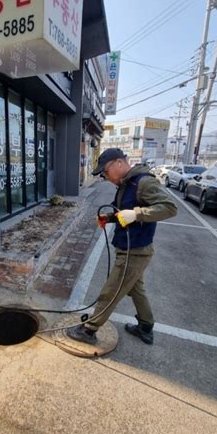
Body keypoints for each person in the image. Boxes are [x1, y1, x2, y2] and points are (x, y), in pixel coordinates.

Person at [67, 148, 177, 345]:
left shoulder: (143, 182)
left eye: (105, 171)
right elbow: (121, 211)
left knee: (112, 290)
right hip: (129, 247)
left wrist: (137, 214)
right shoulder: (126, 184)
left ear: (119, 163)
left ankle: (89, 330)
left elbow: (169, 208)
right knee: (136, 289)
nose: (105, 176)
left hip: (134, 251)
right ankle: (146, 326)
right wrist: (109, 217)